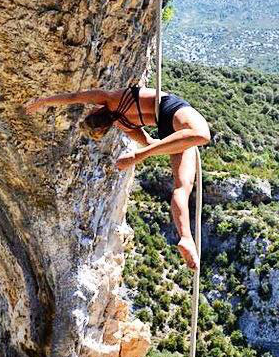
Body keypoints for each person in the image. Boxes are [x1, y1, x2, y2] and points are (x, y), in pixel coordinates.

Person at [24, 85, 211, 270]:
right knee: (201, 134)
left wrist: (175, 144)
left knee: (182, 188)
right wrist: (44, 101)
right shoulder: (112, 99)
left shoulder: (123, 124)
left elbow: (150, 142)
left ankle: (185, 236)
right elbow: (74, 96)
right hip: (173, 111)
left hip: (168, 129)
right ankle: (139, 156)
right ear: (97, 110)